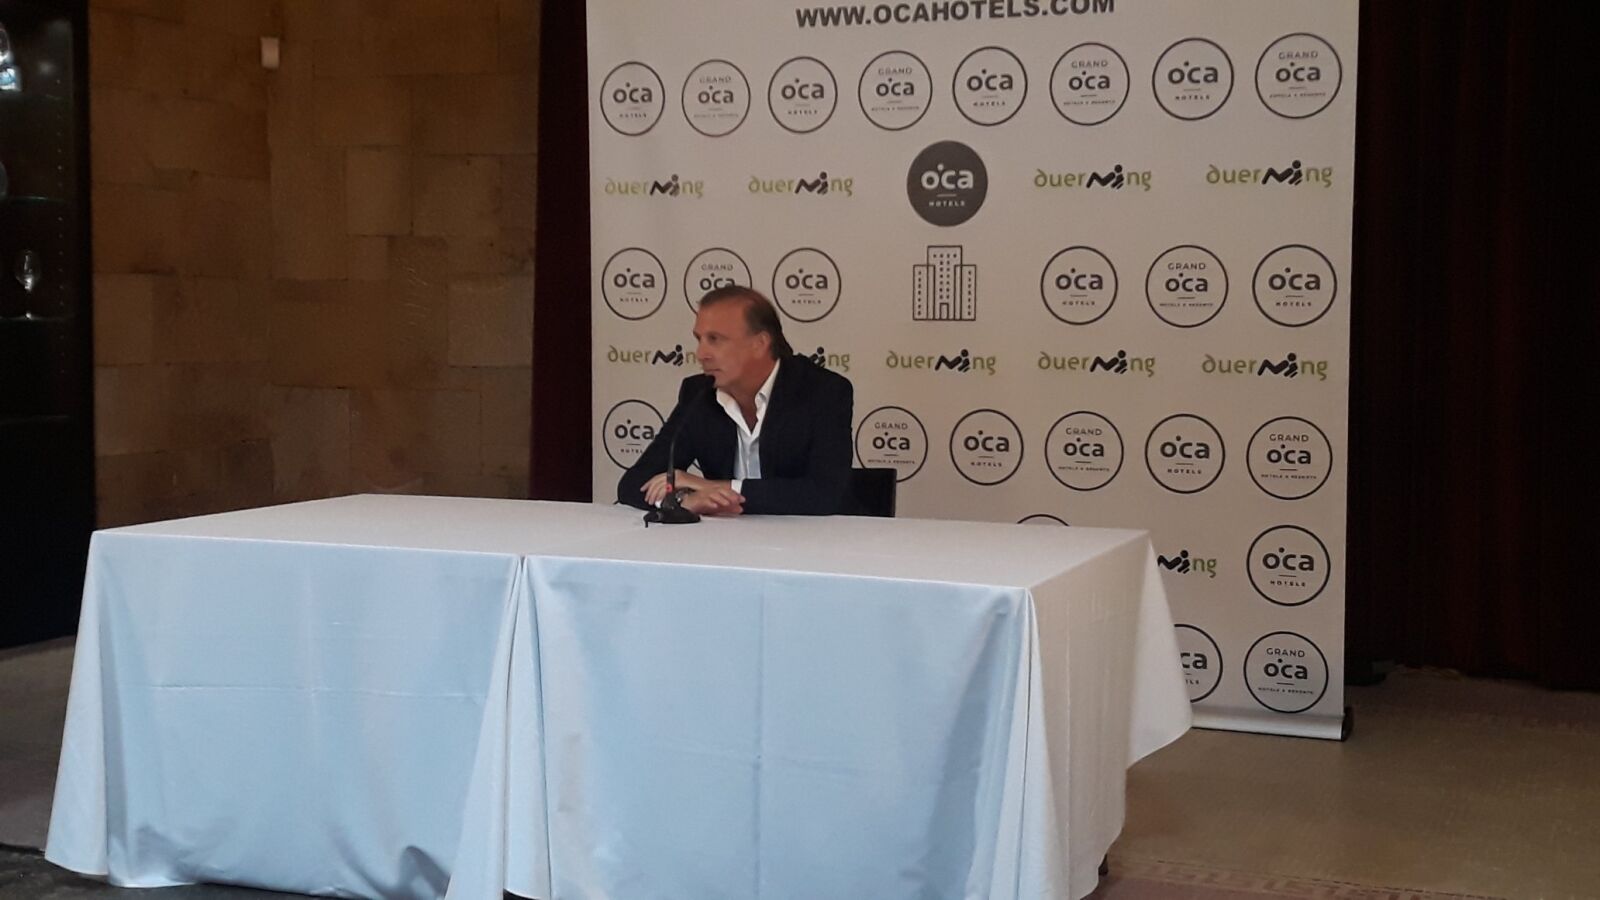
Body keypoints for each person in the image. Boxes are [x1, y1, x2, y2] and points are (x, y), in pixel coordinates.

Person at [617, 285, 854, 516]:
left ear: (760, 343)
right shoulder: (698, 394)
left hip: (807, 538)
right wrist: (683, 499)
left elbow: (824, 494)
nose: (701, 354)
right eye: (699, 339)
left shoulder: (823, 392)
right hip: (726, 538)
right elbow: (633, 483)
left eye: (715, 339)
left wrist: (713, 487)